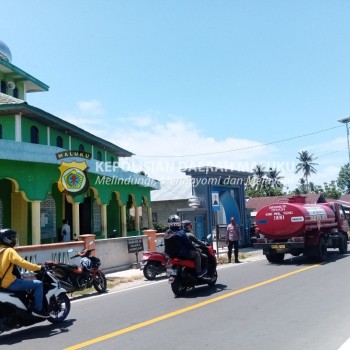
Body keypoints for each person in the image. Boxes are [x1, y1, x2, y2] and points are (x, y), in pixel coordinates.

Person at [0, 228, 48, 318]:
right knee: (38, 284)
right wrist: (38, 267)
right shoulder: (9, 251)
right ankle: (38, 310)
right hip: (9, 283)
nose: (14, 240)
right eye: (13, 237)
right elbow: (22, 262)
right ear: (7, 239)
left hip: (1, 284)